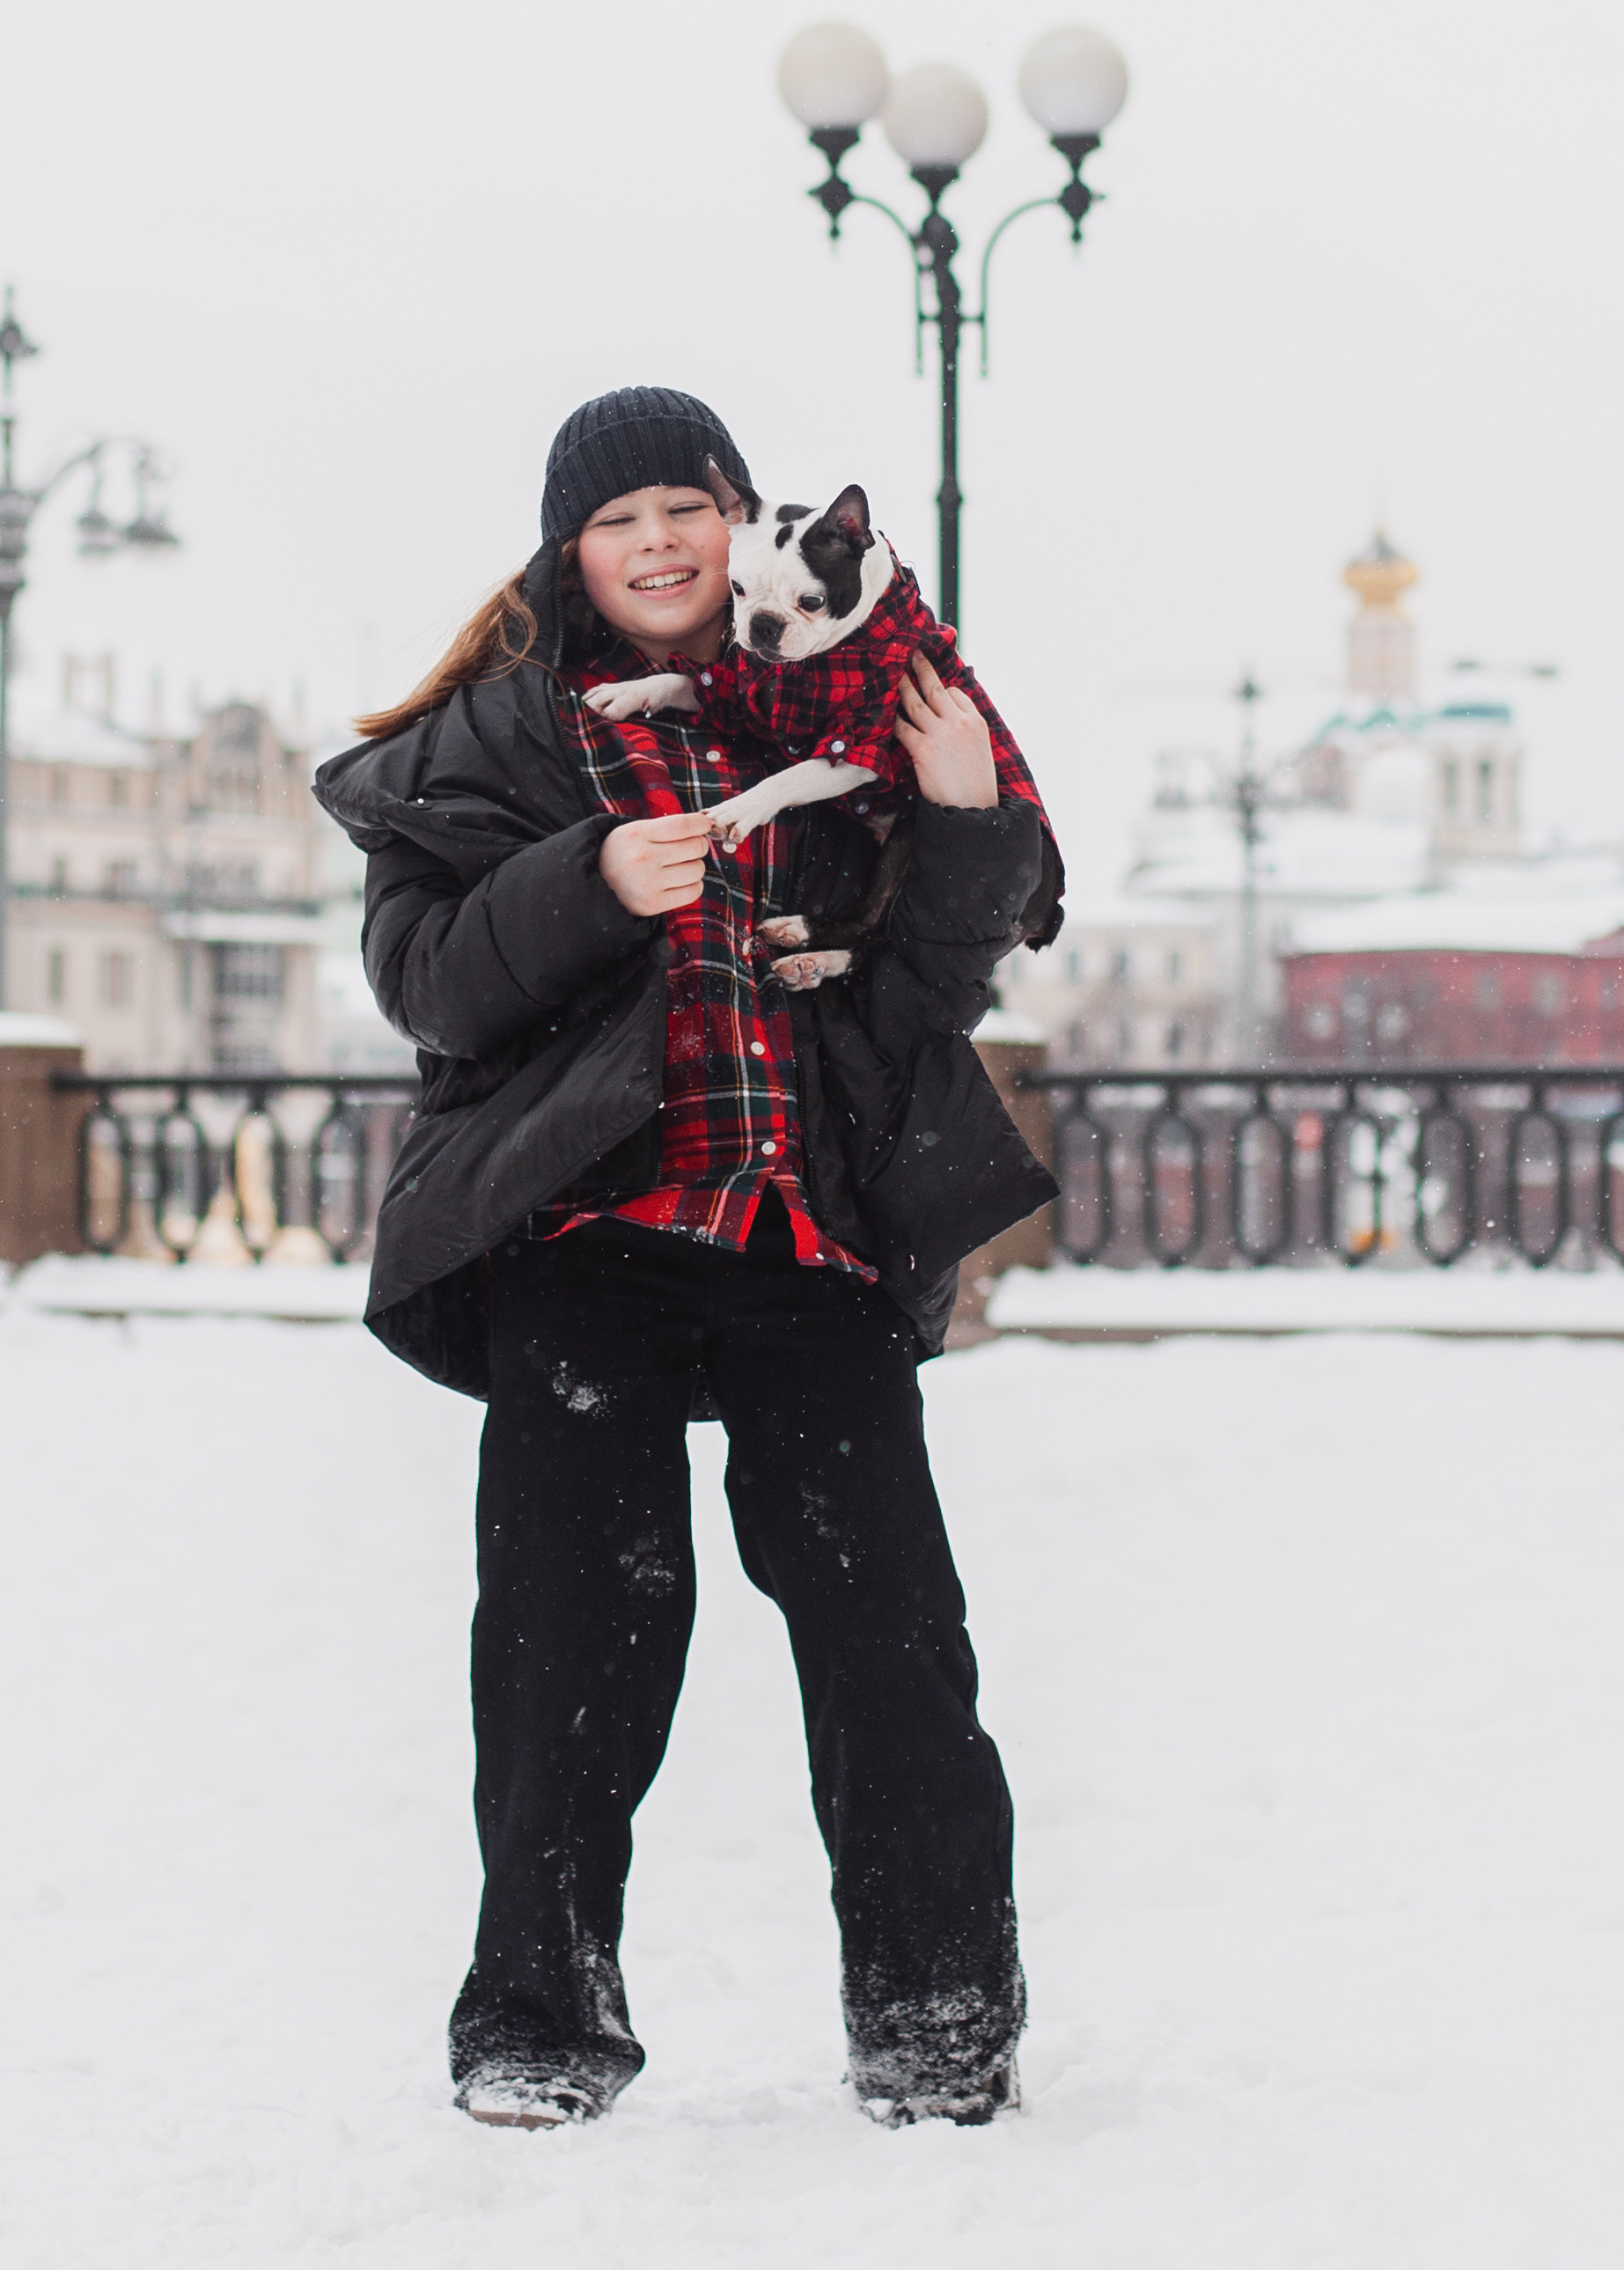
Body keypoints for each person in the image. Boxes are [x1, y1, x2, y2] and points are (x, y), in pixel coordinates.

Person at [314, 386, 1063, 2132]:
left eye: (687, 503)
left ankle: (937, 2009)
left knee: (890, 1636)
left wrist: (958, 825)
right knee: (575, 1638)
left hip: (802, 1232)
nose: (656, 541)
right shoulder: (492, 743)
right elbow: (430, 988)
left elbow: (918, 995)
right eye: (616, 517)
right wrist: (591, 881)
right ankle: (535, 2017)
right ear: (568, 550)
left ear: (742, 520)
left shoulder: (811, 706)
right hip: (587, 1241)